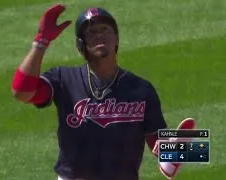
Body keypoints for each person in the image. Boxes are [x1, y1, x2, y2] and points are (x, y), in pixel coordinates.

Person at [12, 4, 195, 180]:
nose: (99, 35)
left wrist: (177, 153)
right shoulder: (63, 80)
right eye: (92, 32)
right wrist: (41, 42)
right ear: (80, 45)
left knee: (201, 142)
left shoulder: (141, 89)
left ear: (116, 39)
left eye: (105, 30)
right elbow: (22, 92)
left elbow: (157, 142)